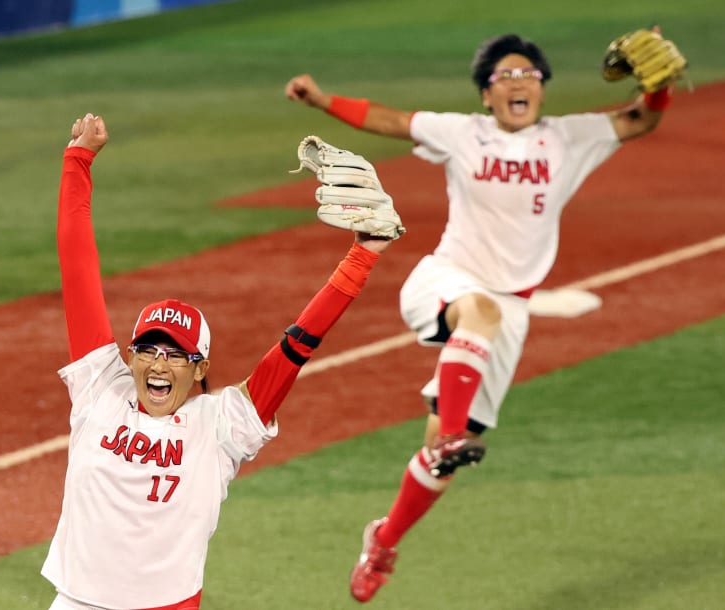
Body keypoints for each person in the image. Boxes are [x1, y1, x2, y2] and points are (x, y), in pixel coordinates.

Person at [285, 31, 680, 602]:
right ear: (486, 94)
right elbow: (392, 121)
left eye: (529, 75)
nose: (519, 83)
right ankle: (450, 434)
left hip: (508, 311)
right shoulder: (464, 132)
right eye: (505, 77)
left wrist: (662, 86)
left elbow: (641, 119)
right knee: (479, 318)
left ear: (542, 88)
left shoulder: (569, 138)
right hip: (447, 279)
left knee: (443, 457)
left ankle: (384, 538)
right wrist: (324, 102)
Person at [40, 112, 392, 610]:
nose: (159, 365)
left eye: (177, 356)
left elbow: (294, 349)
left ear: (200, 368)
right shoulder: (101, 387)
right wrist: (78, 160)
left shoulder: (221, 425)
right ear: (131, 356)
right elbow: (77, 269)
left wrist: (362, 257)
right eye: (149, 350)